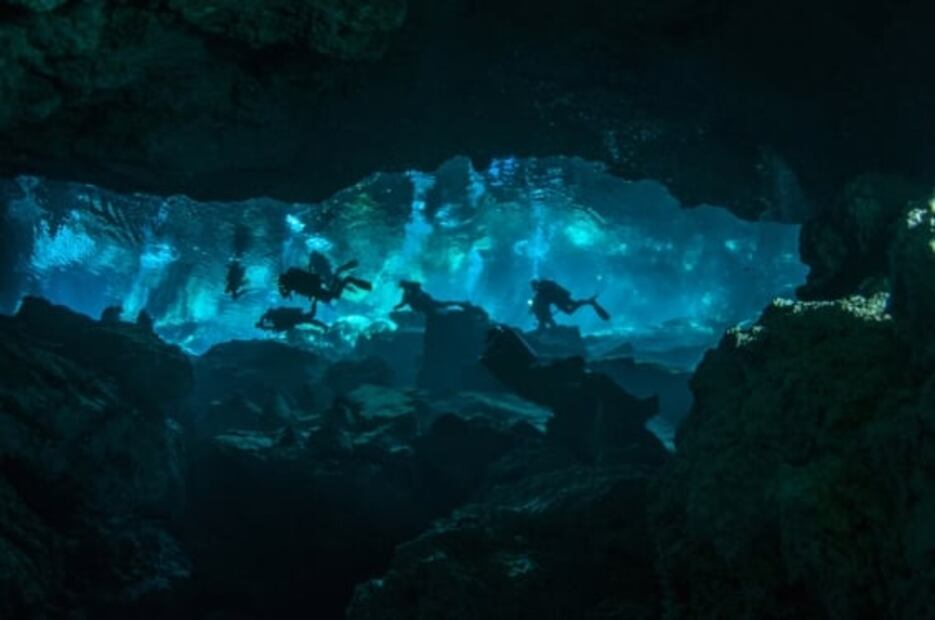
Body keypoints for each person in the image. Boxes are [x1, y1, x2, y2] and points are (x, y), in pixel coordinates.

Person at [529, 278, 610, 330]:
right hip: (562, 297)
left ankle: (589, 301)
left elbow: (545, 299)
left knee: (569, 311)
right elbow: (545, 300)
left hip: (561, 299)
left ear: (535, 284)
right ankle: (590, 301)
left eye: (533, 286)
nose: (533, 289)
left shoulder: (542, 286)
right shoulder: (542, 288)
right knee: (571, 308)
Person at [394, 280, 465, 315]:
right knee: (441, 306)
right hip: (422, 307)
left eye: (403, 286)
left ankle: (461, 304)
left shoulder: (413, 289)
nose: (403, 288)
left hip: (427, 304)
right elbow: (404, 302)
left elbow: (418, 286)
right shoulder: (407, 293)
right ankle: (459, 306)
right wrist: (397, 307)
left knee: (442, 305)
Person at [255, 307, 326, 333]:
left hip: (291, 319)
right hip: (291, 319)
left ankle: (324, 326)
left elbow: (276, 324)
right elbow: (276, 324)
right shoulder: (265, 323)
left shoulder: (265, 322)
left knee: (310, 316)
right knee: (310, 317)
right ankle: (324, 326)